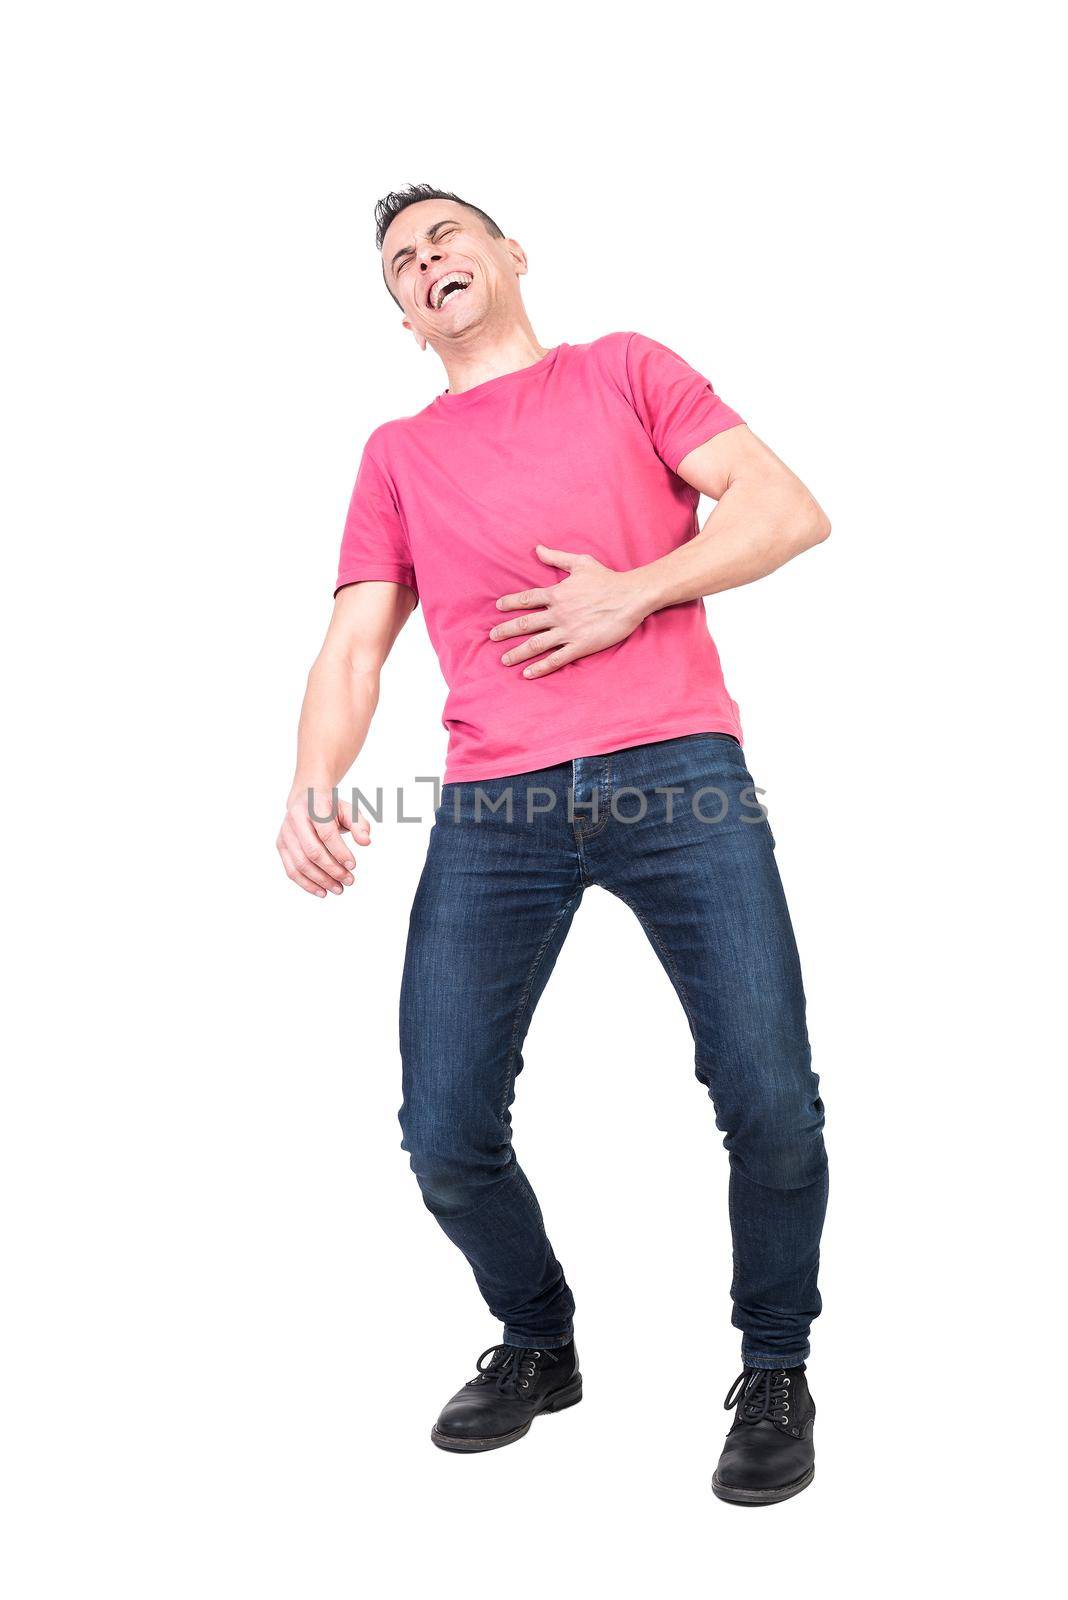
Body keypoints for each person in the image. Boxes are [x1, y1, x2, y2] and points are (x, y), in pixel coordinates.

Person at [277, 185, 831, 1505]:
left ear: (513, 255)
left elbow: (786, 508)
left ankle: (775, 1363)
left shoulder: (626, 371)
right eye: (403, 263)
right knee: (446, 1129)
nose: (426, 262)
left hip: (679, 770)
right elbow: (357, 638)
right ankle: (537, 1342)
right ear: (401, 314)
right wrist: (311, 779)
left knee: (768, 1096)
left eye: (448, 238)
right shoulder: (397, 454)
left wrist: (631, 594)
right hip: (493, 807)